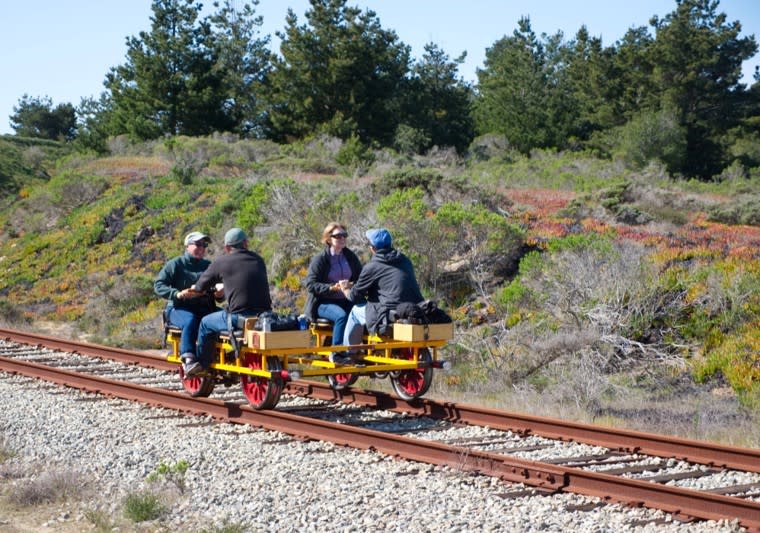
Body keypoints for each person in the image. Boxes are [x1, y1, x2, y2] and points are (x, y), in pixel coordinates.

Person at [185, 227, 272, 376]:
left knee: (205, 323)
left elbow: (200, 287)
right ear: (246, 243)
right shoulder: (259, 260)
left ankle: (203, 365)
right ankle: (231, 355)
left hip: (239, 316)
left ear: (226, 247)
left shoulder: (222, 262)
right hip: (265, 315)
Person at [340, 228, 423, 362]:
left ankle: (349, 352)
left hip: (387, 315)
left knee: (355, 312)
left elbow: (354, 297)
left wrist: (345, 289)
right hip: (412, 308)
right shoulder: (404, 260)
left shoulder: (373, 266)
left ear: (373, 248)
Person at [154, 231, 217, 367]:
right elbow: (159, 285)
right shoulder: (176, 264)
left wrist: (220, 293)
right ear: (187, 246)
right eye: (198, 244)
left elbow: (218, 288)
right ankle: (188, 359)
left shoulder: (208, 266)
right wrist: (176, 294)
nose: (201, 248)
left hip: (204, 307)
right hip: (179, 308)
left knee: (226, 318)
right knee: (190, 321)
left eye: (204, 245)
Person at [303, 222, 363, 356]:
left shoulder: (350, 257)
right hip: (323, 302)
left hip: (346, 299)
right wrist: (331, 288)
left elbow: (361, 278)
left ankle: (357, 349)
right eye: (338, 236)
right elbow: (310, 284)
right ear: (329, 239)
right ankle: (337, 352)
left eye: (344, 235)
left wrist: (351, 285)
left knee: (363, 312)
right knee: (341, 316)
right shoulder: (320, 259)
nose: (342, 239)